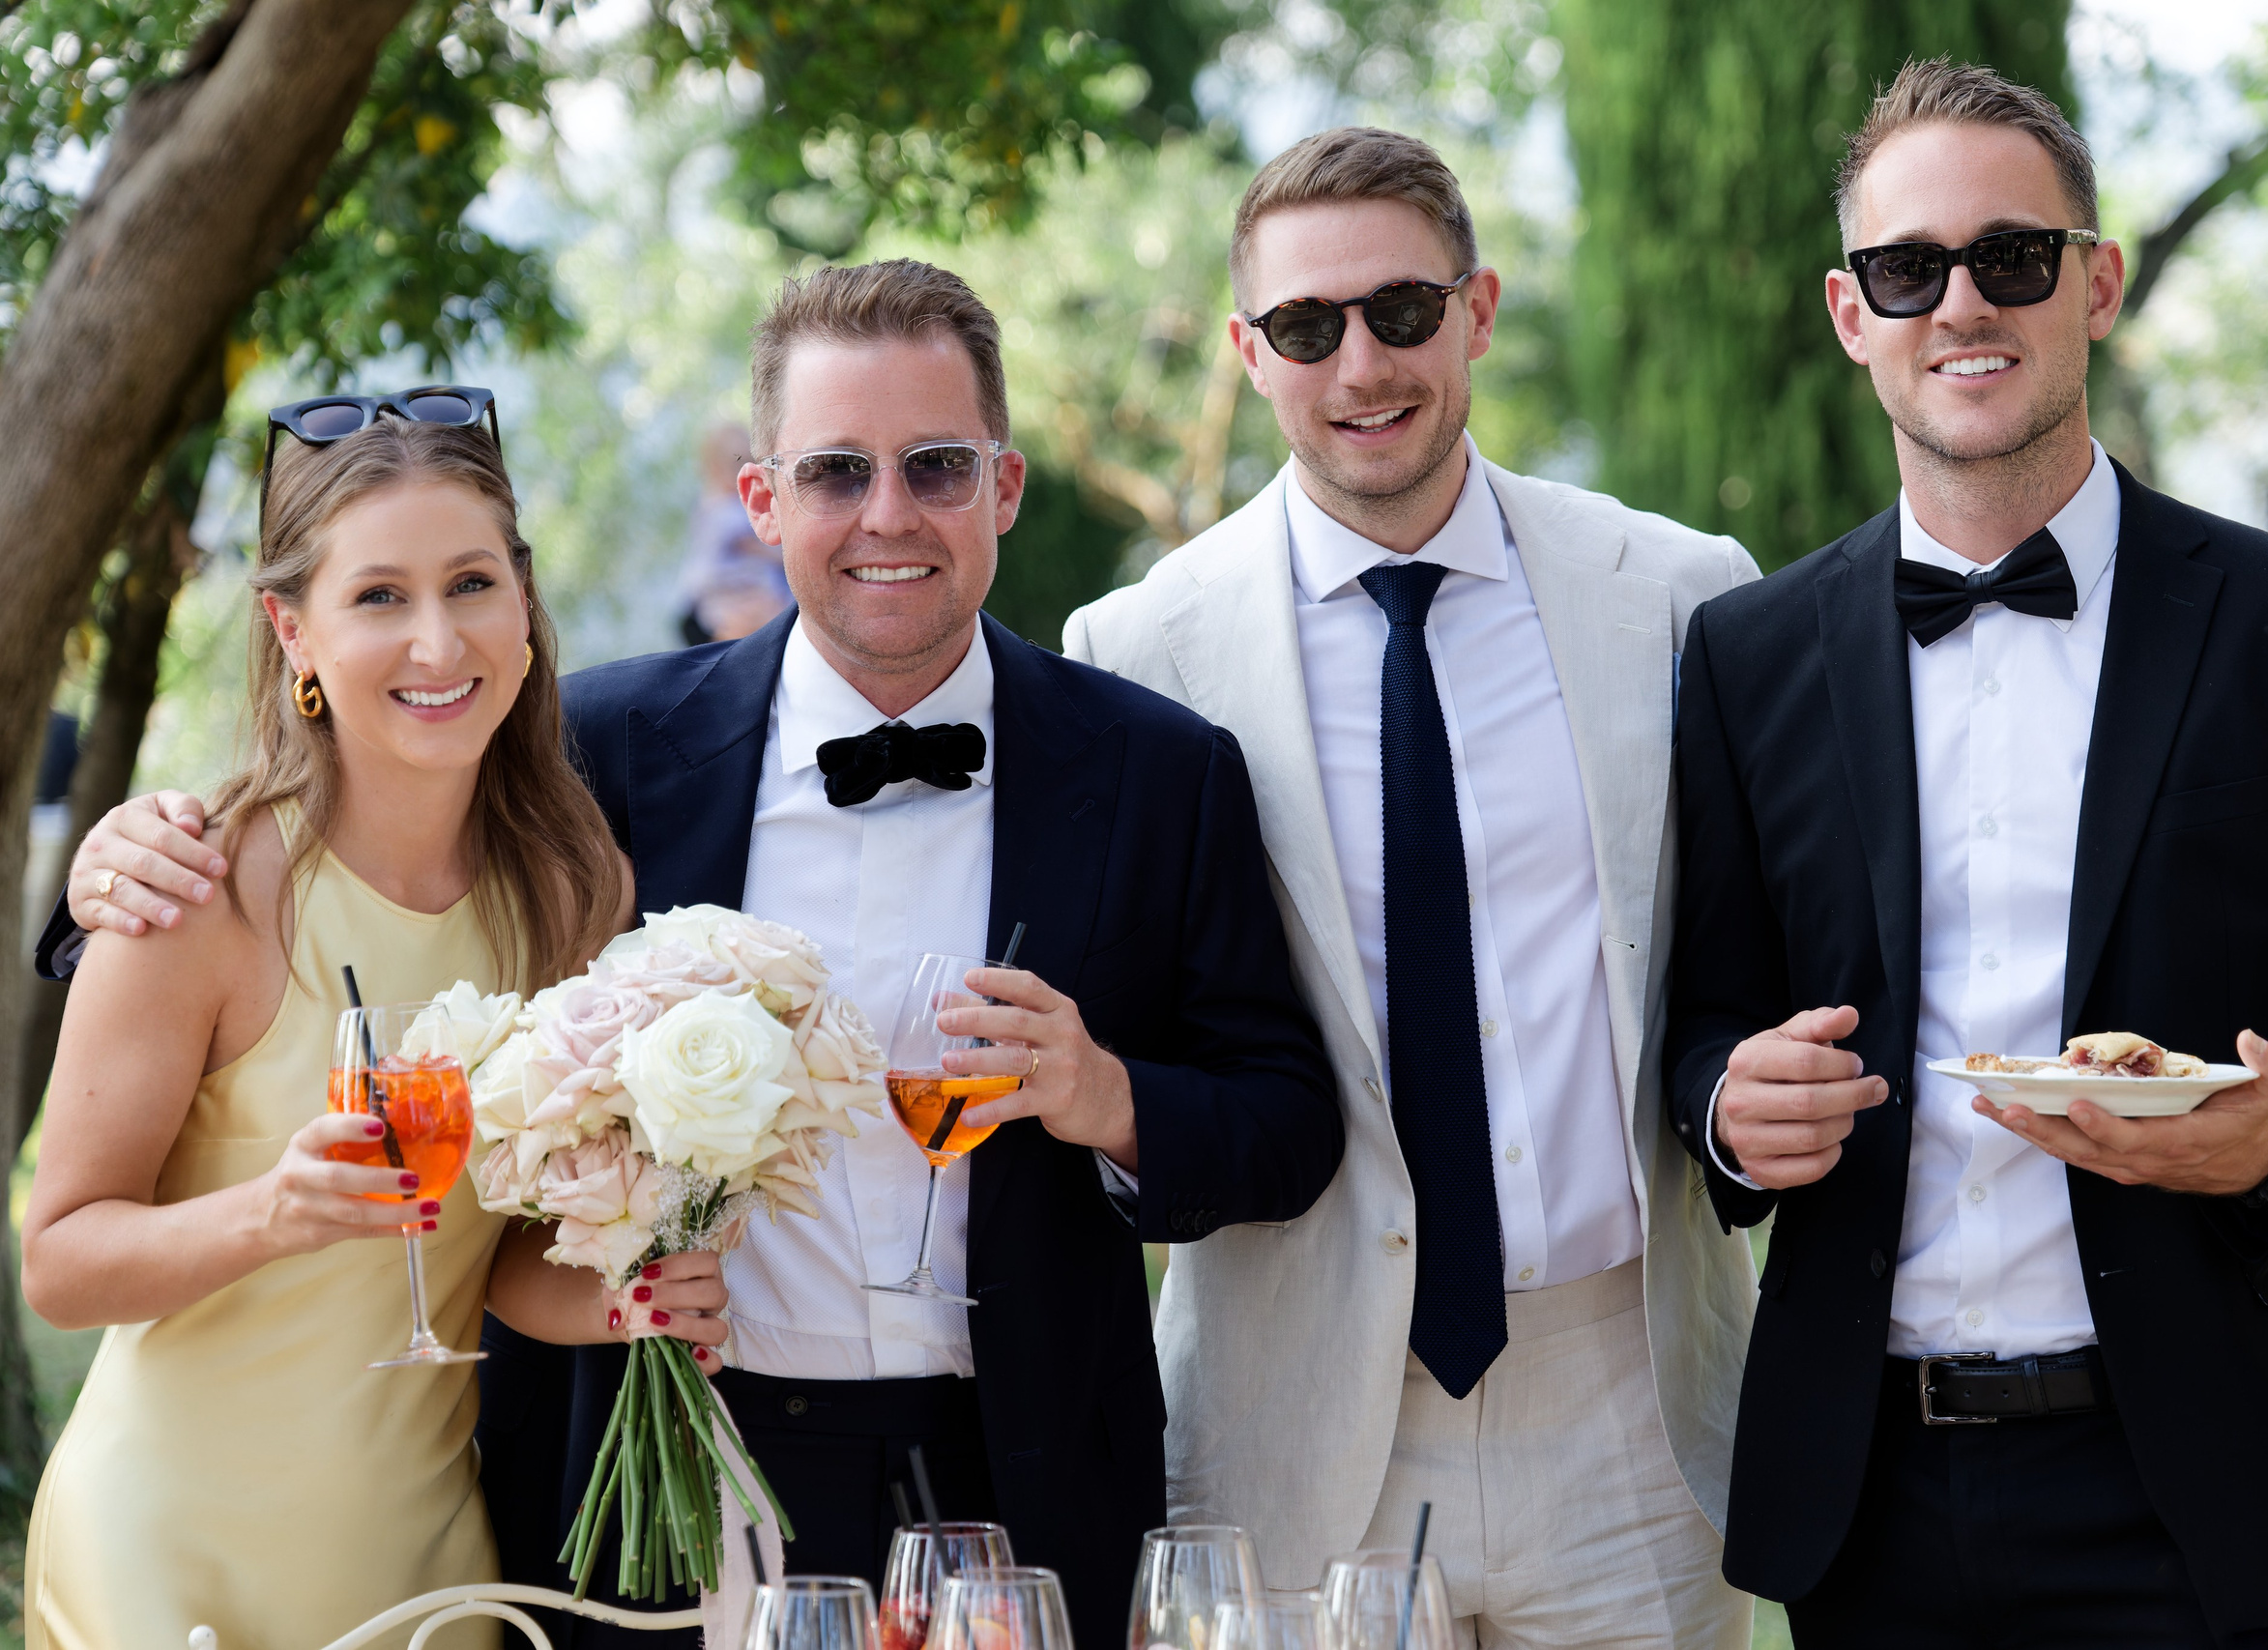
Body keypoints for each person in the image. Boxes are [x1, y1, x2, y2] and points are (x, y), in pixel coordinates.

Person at [49, 263, 1343, 1650]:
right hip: (659, 1489)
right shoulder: (587, 767)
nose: (889, 513)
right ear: (764, 501)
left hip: (1015, 1488)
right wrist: (113, 863)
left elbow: (1286, 1122)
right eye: (837, 469)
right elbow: (367, 816)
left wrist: (1111, 1097)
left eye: (938, 465)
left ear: (1006, 485)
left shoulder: (1160, 772)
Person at [1663, 60, 2268, 1649]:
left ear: (2093, 283)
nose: (1961, 302)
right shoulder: (1743, 655)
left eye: (2012, 257)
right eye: (1910, 269)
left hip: (2201, 1494)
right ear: (1851, 314)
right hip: (1866, 1502)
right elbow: (1706, 1021)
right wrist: (1729, 1111)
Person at [1067, 128, 1759, 1648]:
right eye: (1308, 328)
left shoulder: (1684, 593)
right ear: (1251, 353)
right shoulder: (1139, 650)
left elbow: (1740, 960)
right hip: (1295, 1408)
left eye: (1403, 309)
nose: (1361, 361)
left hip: (1628, 1404)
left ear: (1480, 310)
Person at [18, 406, 725, 1650]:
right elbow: (60, 1262)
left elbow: (492, 1265)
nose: (438, 640)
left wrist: (625, 1292)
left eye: (471, 583)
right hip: (169, 1556)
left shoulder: (572, 893)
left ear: (524, 603)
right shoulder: (197, 891)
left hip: (427, 1564)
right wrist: (273, 1213)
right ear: (295, 628)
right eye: (380, 596)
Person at [675, 420, 791, 645]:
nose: (744, 472)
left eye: (748, 461)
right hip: (727, 586)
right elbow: (749, 543)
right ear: (715, 470)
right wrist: (782, 557)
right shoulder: (723, 511)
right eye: (736, 465)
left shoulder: (714, 506)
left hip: (733, 589)